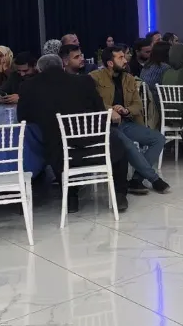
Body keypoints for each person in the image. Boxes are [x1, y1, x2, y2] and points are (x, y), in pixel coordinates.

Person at [18, 54, 129, 214]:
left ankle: (71, 197)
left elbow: (23, 118)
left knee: (50, 140)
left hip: (60, 154)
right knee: (118, 143)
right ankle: (120, 194)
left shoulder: (28, 87)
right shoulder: (84, 81)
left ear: (39, 69)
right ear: (62, 66)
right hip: (96, 147)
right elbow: (99, 111)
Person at [90, 48, 171, 195]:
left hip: (125, 122)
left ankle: (136, 180)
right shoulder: (95, 77)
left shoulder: (129, 79)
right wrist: (111, 109)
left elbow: (138, 105)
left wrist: (126, 110)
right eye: (120, 58)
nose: (125, 60)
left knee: (158, 138)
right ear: (110, 63)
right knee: (127, 144)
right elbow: (93, 102)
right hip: (106, 126)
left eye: (124, 56)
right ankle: (154, 179)